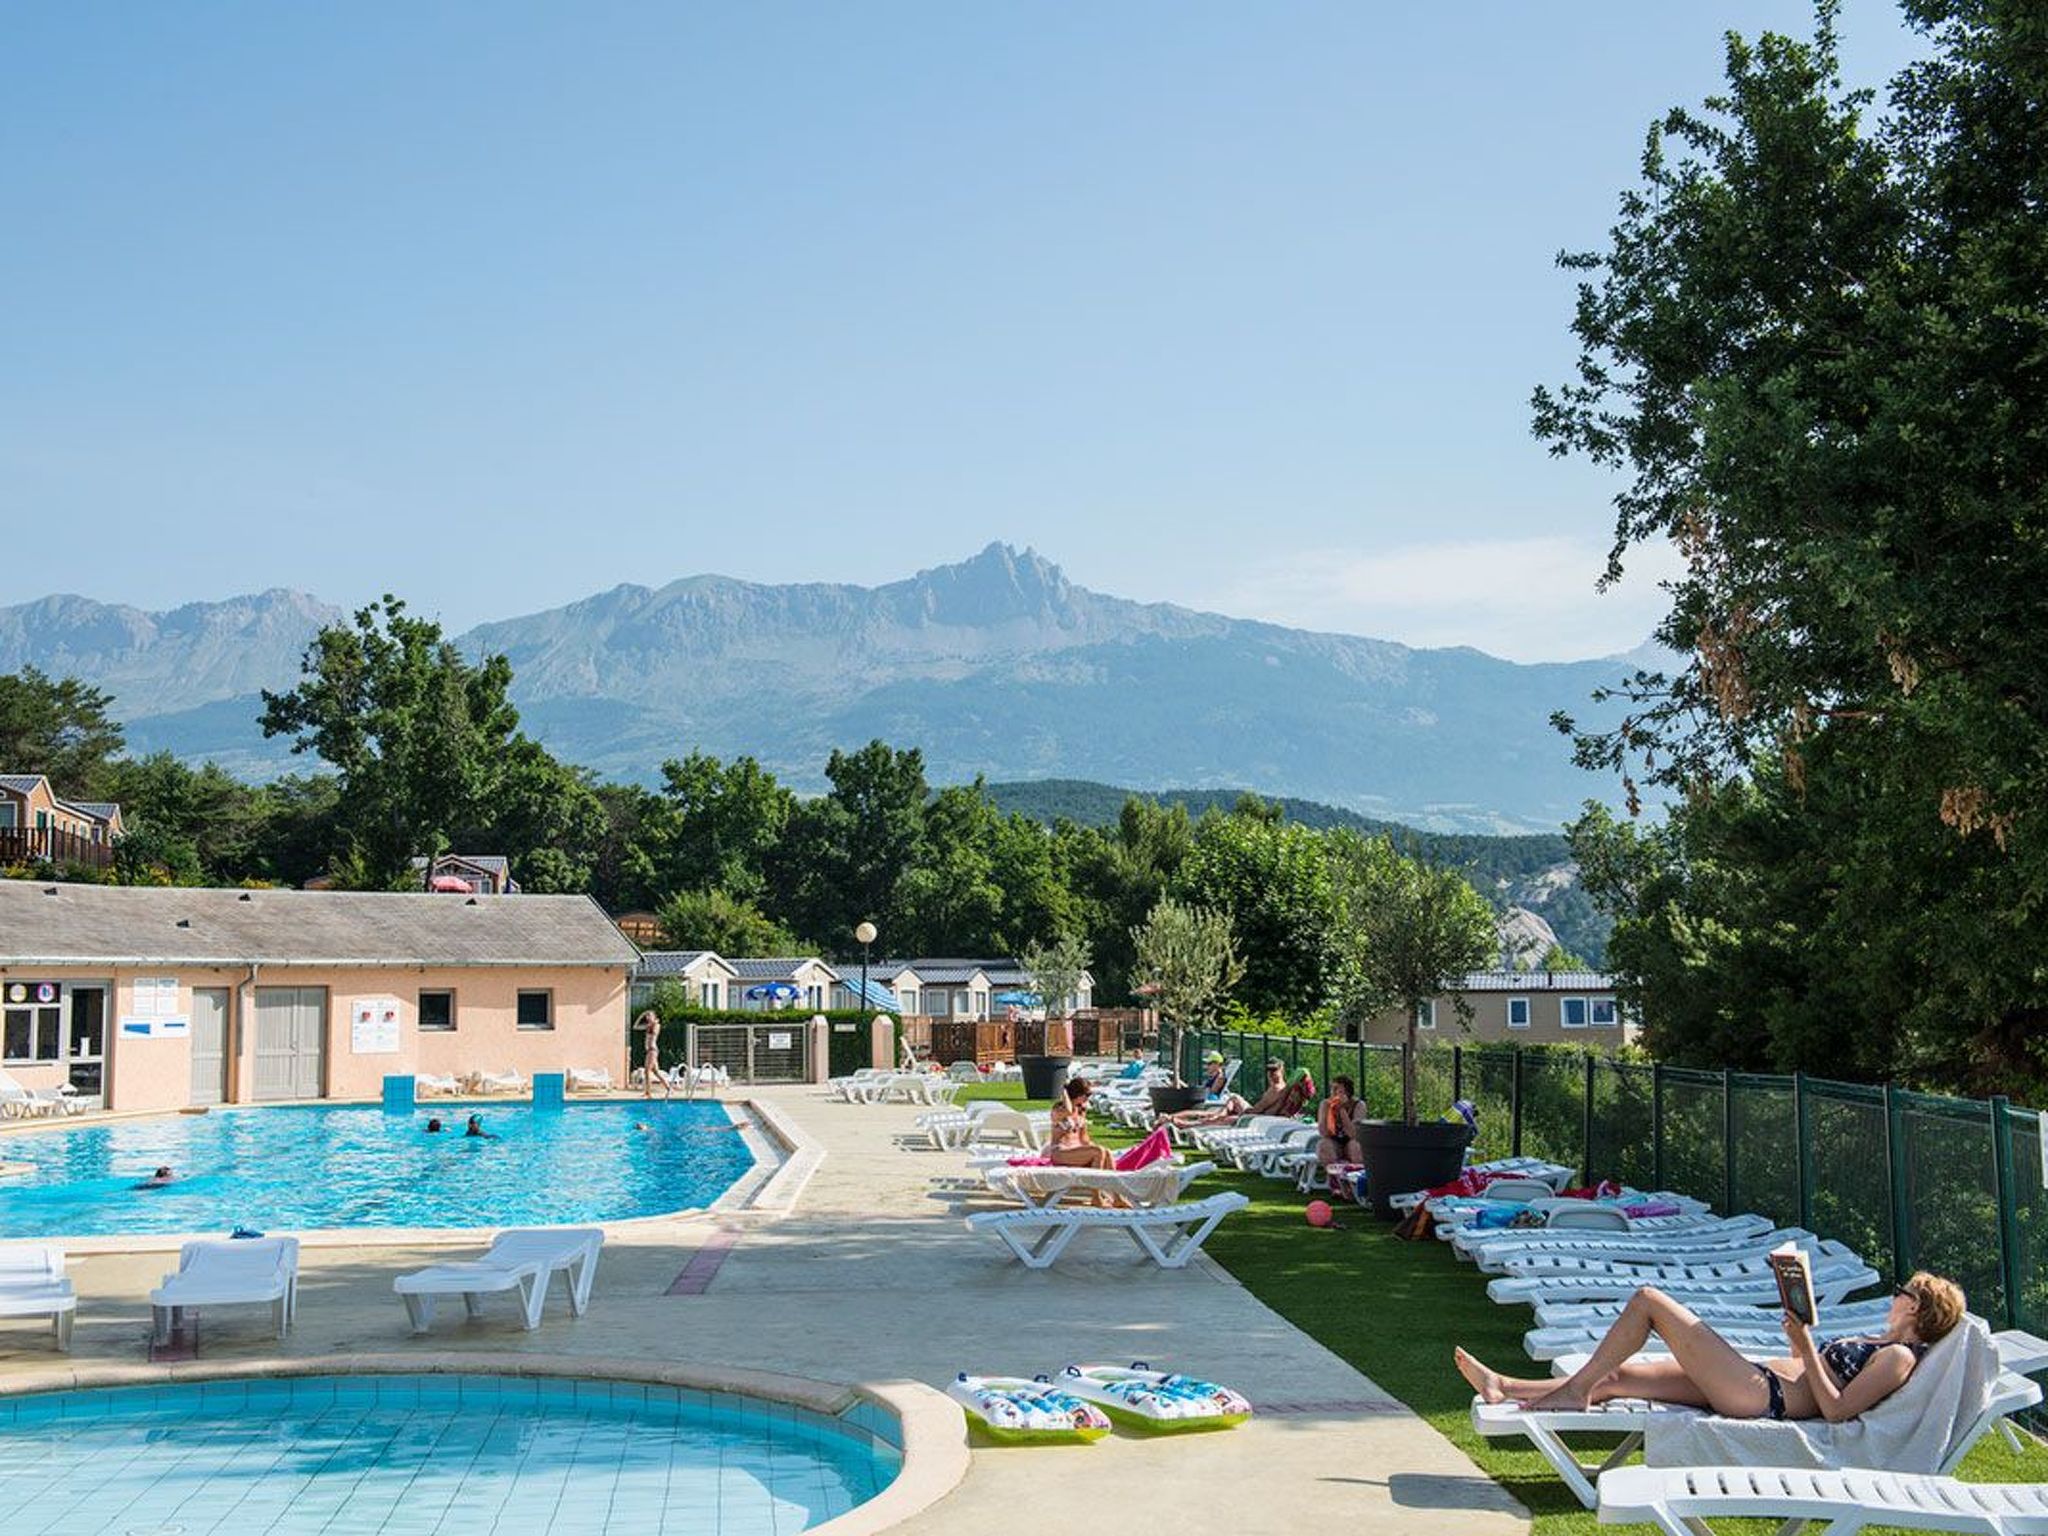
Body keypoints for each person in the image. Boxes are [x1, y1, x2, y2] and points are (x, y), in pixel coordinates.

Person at [1455, 1272, 1964, 1420]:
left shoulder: (1897, 1358)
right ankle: (1506, 1385)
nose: (1895, 1298)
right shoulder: (1881, 1341)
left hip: (1764, 1396)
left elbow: (1837, 1410)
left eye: (1903, 1293)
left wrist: (1805, 1346)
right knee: (1618, 1376)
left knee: (1650, 1301)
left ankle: (1571, 1393)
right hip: (1753, 1378)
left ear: (1916, 1308)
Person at [1170, 1060, 1287, 1129]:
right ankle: (1218, 1114)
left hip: (1259, 1119)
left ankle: (1188, 1125)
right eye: (1269, 1070)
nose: (1271, 1074)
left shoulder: (1276, 1089)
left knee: (1223, 1118)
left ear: (1282, 1071)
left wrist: (1243, 1112)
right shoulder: (1277, 1087)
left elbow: (1257, 1111)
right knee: (1233, 1098)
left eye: (1274, 1071)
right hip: (1258, 1114)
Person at [1317, 1076, 1363, 1169]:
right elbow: (1323, 1133)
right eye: (1332, 1089)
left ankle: (1354, 1179)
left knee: (1356, 1147)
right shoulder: (1325, 1104)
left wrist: (1342, 1110)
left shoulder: (1359, 1105)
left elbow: (1353, 1134)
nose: (1333, 1092)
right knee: (1324, 1145)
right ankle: (1335, 1178)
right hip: (1334, 1141)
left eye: (1337, 1089)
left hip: (1350, 1141)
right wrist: (1331, 1111)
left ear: (1347, 1092)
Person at [636, 1010, 669, 1099]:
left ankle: (648, 1093)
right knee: (656, 1072)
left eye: (649, 1016)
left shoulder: (656, 1026)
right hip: (649, 1051)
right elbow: (635, 1027)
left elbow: (654, 1032)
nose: (647, 1017)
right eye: (647, 1016)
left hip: (652, 1050)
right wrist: (641, 1015)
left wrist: (653, 1022)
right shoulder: (648, 1026)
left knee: (647, 1071)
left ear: (654, 1017)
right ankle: (669, 1089)